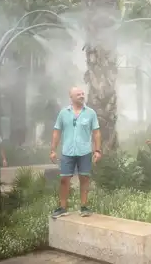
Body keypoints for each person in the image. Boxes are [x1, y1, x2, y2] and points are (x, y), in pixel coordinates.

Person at [49, 87, 102, 218]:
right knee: (64, 179)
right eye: (78, 94)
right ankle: (62, 208)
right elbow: (57, 132)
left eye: (83, 94)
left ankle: (84, 207)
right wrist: (53, 150)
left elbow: (96, 133)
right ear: (71, 97)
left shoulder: (90, 113)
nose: (81, 96)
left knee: (84, 178)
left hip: (84, 151)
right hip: (67, 151)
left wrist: (97, 150)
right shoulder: (63, 113)